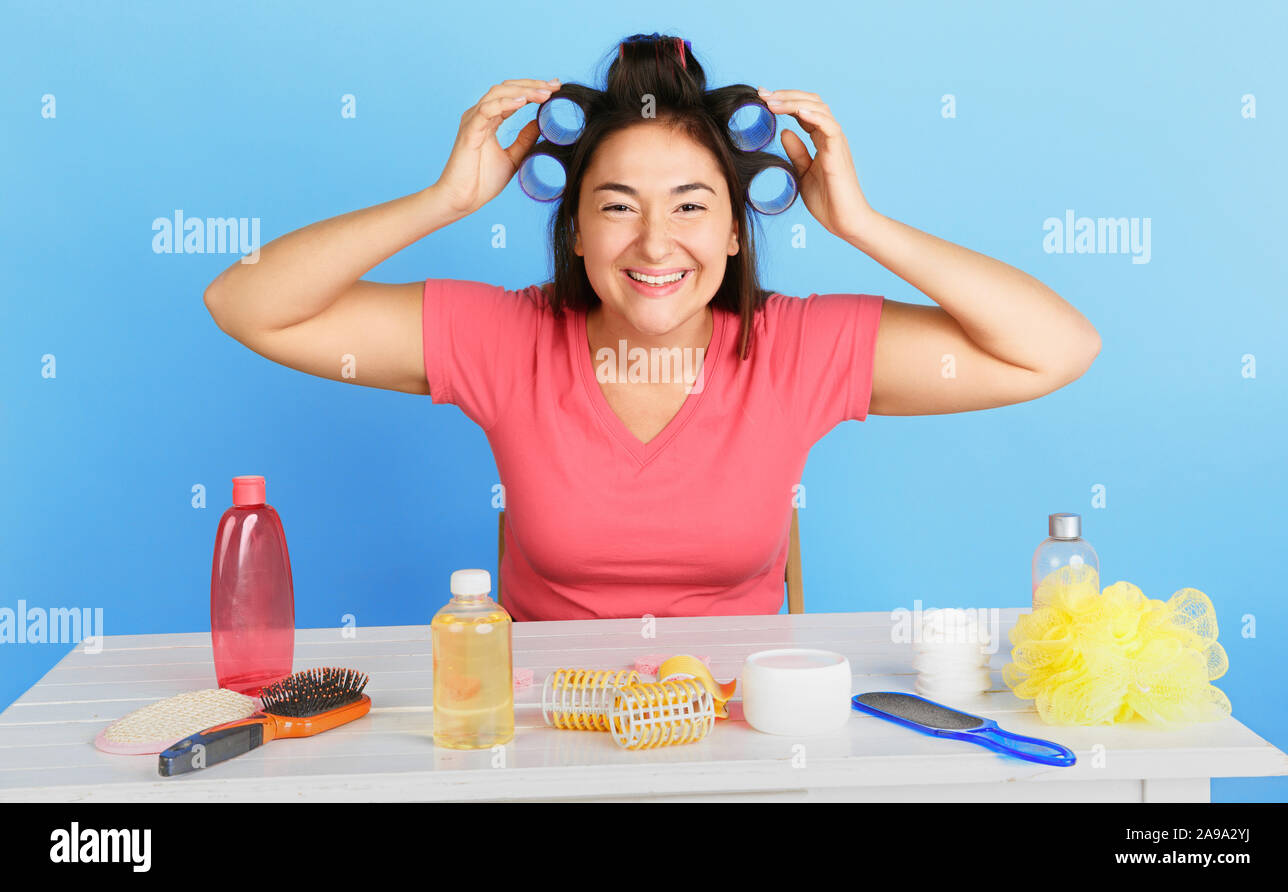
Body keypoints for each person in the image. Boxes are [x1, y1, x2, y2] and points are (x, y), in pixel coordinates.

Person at [203, 33, 1100, 622]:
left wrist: (863, 225)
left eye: (691, 206)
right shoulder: (504, 339)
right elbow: (244, 303)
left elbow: (1057, 348)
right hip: (546, 749)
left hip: (742, 747)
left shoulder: (795, 350)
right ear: (577, 233)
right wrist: (442, 202)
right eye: (619, 206)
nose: (656, 242)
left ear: (737, 232)